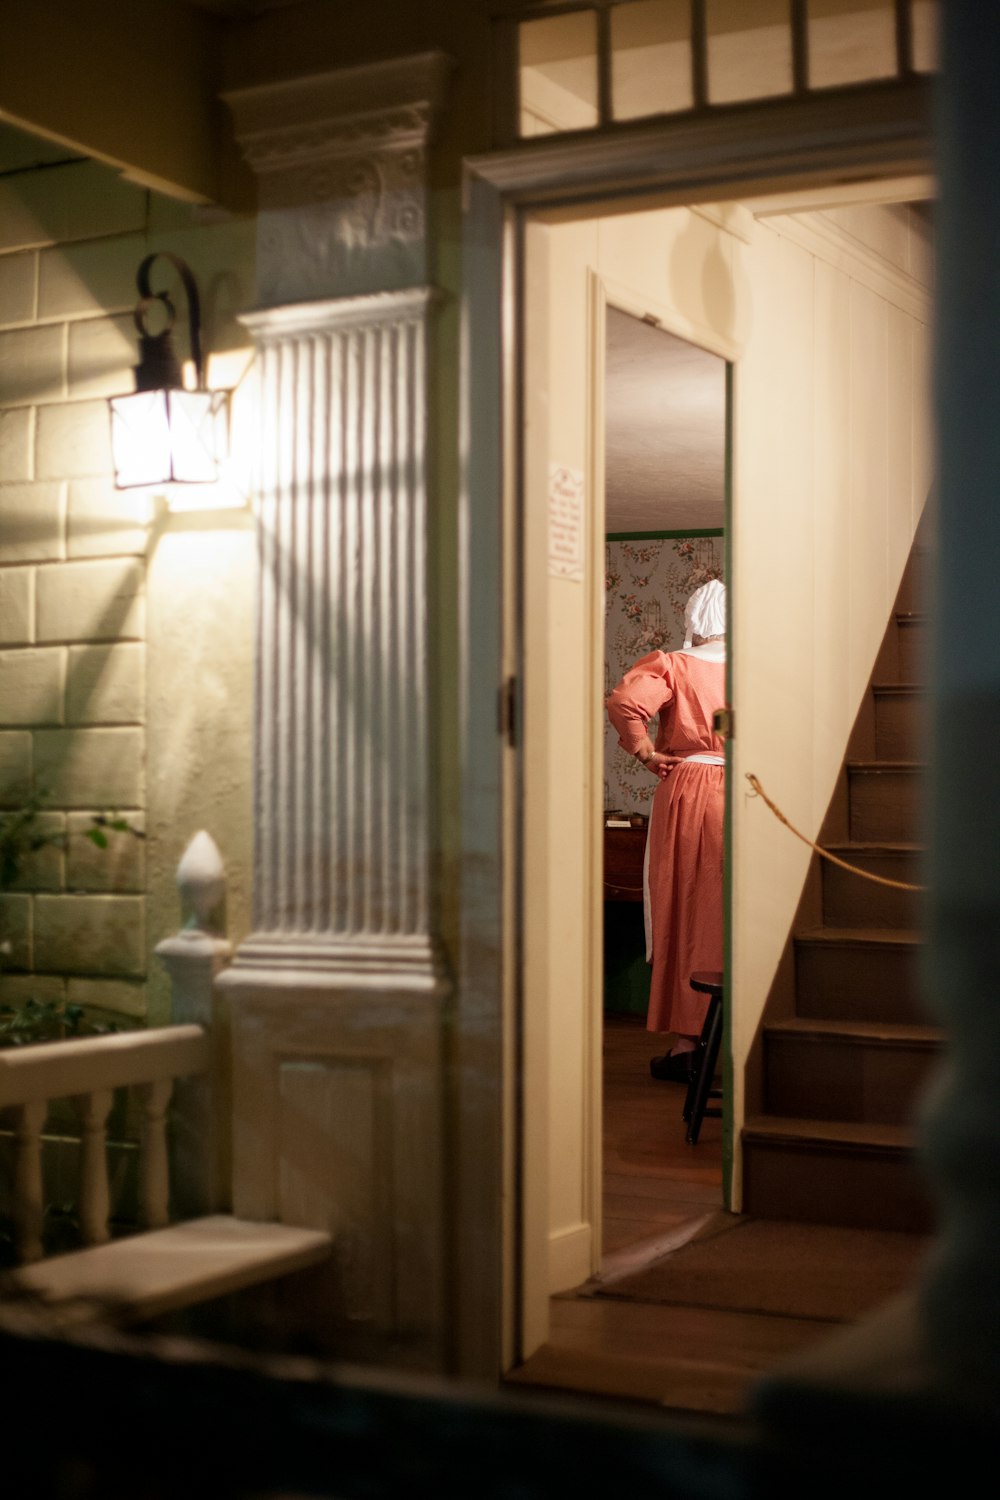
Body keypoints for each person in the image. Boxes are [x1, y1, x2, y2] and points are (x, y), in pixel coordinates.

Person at [606, 579, 726, 1082]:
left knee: (687, 904)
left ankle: (689, 1041)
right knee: (728, 908)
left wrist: (646, 752)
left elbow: (624, 703)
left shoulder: (675, 664)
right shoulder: (761, 666)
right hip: (749, 786)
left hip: (693, 786)